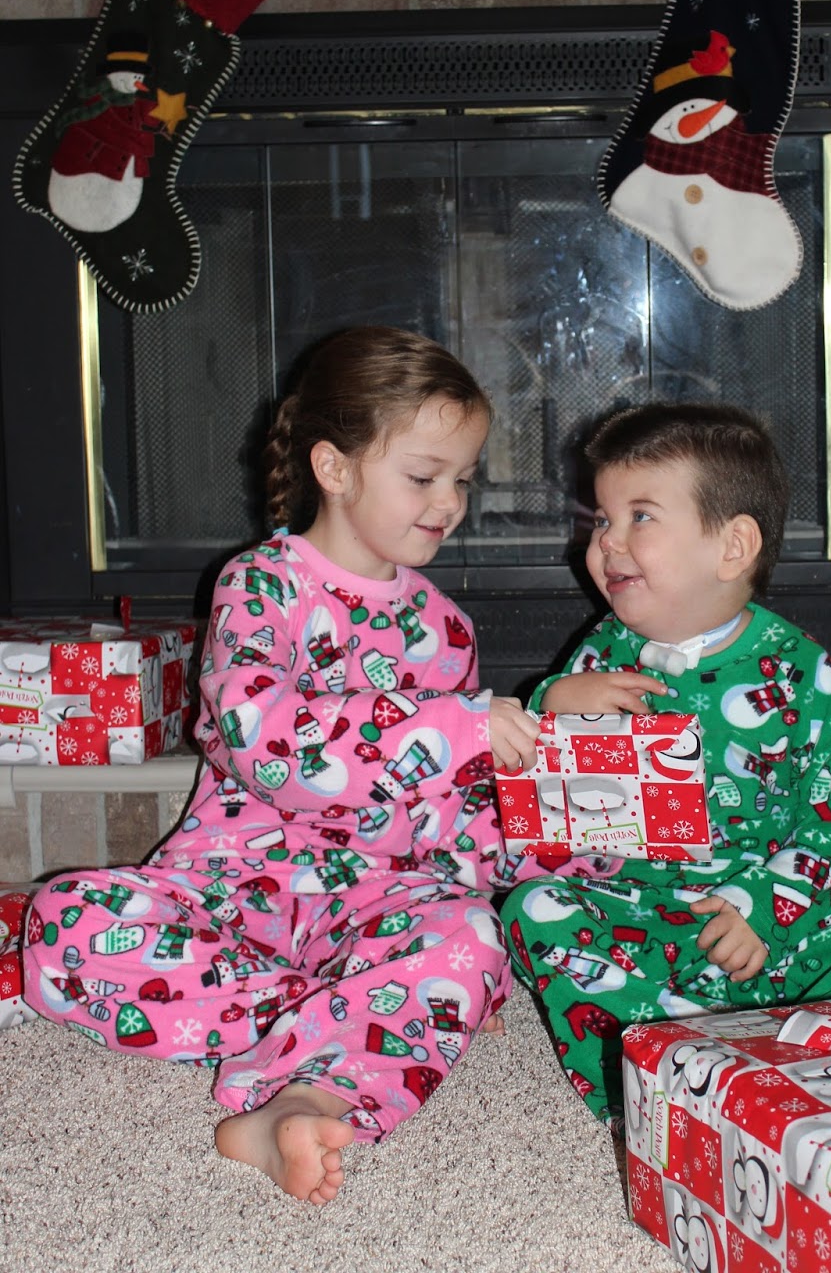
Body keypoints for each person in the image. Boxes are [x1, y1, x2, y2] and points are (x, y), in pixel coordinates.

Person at [21, 326, 608, 1204]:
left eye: (462, 479)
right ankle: (364, 1018)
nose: (449, 502)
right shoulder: (260, 586)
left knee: (469, 935)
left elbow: (443, 816)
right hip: (231, 882)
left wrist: (561, 842)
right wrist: (451, 728)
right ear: (333, 468)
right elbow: (266, 746)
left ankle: (302, 1097)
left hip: (372, 894)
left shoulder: (445, 630)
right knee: (64, 925)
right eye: (424, 476)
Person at [500, 402, 831, 1126]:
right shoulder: (599, 655)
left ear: (732, 547)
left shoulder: (800, 671)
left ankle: (794, 1040)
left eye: (639, 517)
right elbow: (549, 822)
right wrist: (551, 704)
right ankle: (667, 1075)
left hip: (777, 933)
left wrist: (764, 907)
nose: (605, 541)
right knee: (532, 911)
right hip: (647, 927)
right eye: (602, 519)